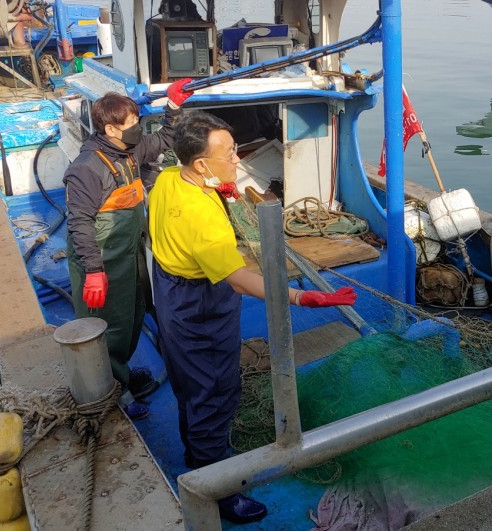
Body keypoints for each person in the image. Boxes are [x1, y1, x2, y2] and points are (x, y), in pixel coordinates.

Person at [147, 110, 356, 524]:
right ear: (201, 163)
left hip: (170, 291)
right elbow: (238, 280)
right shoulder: (201, 216)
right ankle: (218, 492)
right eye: (229, 154)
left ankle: (196, 459)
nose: (238, 160)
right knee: (214, 389)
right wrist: (299, 296)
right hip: (199, 307)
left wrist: (221, 191)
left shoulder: (169, 179)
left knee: (189, 384)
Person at [64, 80, 192, 421]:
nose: (137, 130)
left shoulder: (128, 151)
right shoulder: (86, 169)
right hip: (103, 263)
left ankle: (120, 373)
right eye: (131, 125)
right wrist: (93, 270)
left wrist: (174, 108)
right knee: (109, 327)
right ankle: (112, 395)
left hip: (129, 254)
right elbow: (79, 223)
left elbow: (166, 138)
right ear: (109, 129)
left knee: (134, 317)